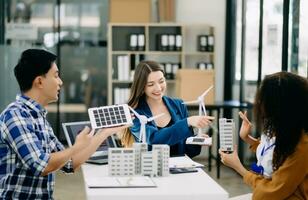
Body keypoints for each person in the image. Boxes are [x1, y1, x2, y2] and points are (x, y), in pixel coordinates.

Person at [0, 49, 128, 199]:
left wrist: (105, 132)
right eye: (56, 76)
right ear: (39, 81)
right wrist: (76, 147)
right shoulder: (15, 116)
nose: (60, 82)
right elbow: (43, 165)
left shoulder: (39, 117)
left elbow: (70, 163)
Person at [219, 72, 308, 200]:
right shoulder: (289, 129)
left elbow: (268, 193)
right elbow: (272, 150)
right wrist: (247, 138)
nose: (260, 104)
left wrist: (238, 167)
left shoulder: (303, 146)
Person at [121, 60, 214, 158]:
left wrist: (195, 142)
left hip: (179, 168)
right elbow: (154, 139)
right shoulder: (134, 113)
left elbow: (187, 150)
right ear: (141, 87)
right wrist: (187, 122)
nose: (158, 88)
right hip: (151, 169)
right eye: (151, 84)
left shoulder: (179, 105)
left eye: (161, 81)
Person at [238, 111, 275, 178]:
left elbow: (273, 187)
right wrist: (245, 137)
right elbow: (265, 146)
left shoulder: (291, 147)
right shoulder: (270, 129)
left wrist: (237, 166)